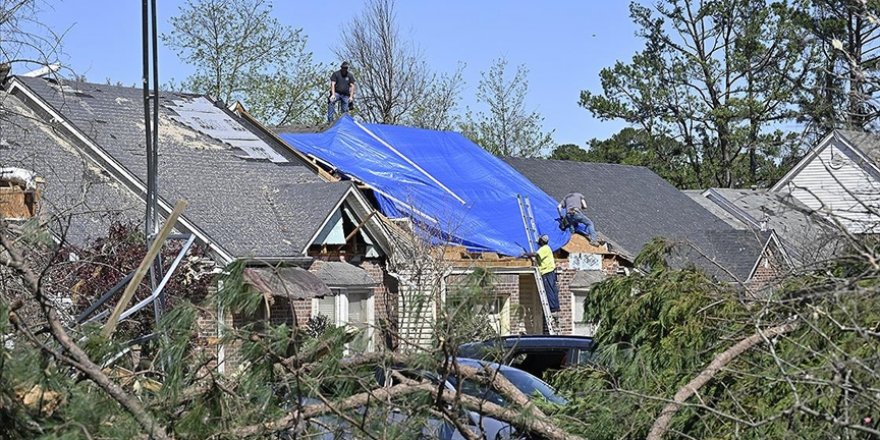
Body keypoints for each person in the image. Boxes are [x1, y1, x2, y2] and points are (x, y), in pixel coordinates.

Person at [533, 234, 560, 326]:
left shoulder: (544, 249)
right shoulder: (547, 248)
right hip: (550, 271)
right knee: (552, 290)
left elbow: (536, 254)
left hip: (547, 272)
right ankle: (555, 310)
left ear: (541, 241)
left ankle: (552, 309)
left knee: (549, 291)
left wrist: (524, 254)